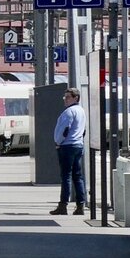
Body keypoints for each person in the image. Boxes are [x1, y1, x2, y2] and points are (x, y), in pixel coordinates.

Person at [52, 87, 87, 216]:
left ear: (75, 98)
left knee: (66, 176)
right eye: (65, 97)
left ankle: (63, 205)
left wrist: (58, 142)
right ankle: (80, 205)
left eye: (68, 97)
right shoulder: (81, 111)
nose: (65, 100)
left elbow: (64, 130)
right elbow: (83, 130)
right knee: (77, 176)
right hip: (78, 145)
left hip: (67, 146)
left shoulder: (69, 112)